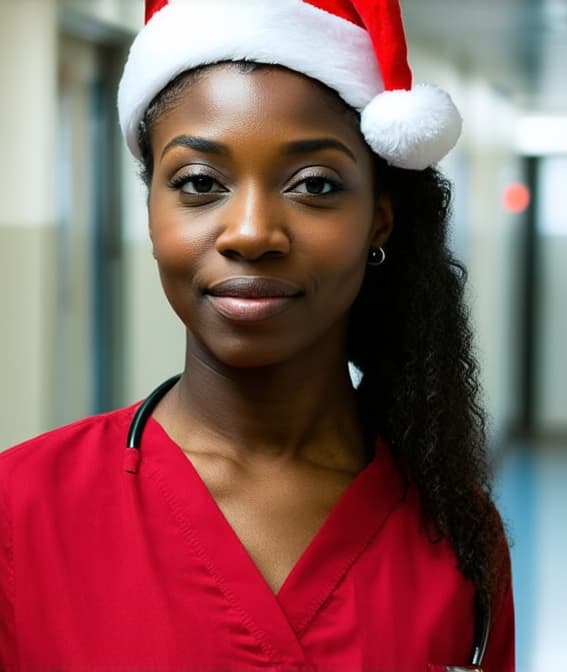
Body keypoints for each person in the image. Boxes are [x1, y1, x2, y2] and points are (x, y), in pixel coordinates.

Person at [0, 1, 513, 670]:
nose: (250, 232)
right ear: (151, 211)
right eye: (199, 182)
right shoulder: (21, 509)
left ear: (379, 221)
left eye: (315, 185)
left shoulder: (457, 534)